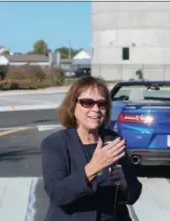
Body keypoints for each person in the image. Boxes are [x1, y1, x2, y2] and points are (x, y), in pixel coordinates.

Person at [40, 76, 142, 221]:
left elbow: (134, 190)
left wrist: (124, 185)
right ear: (73, 106)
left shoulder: (112, 140)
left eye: (101, 104)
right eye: (87, 103)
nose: (96, 109)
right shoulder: (55, 144)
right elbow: (58, 194)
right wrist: (93, 168)